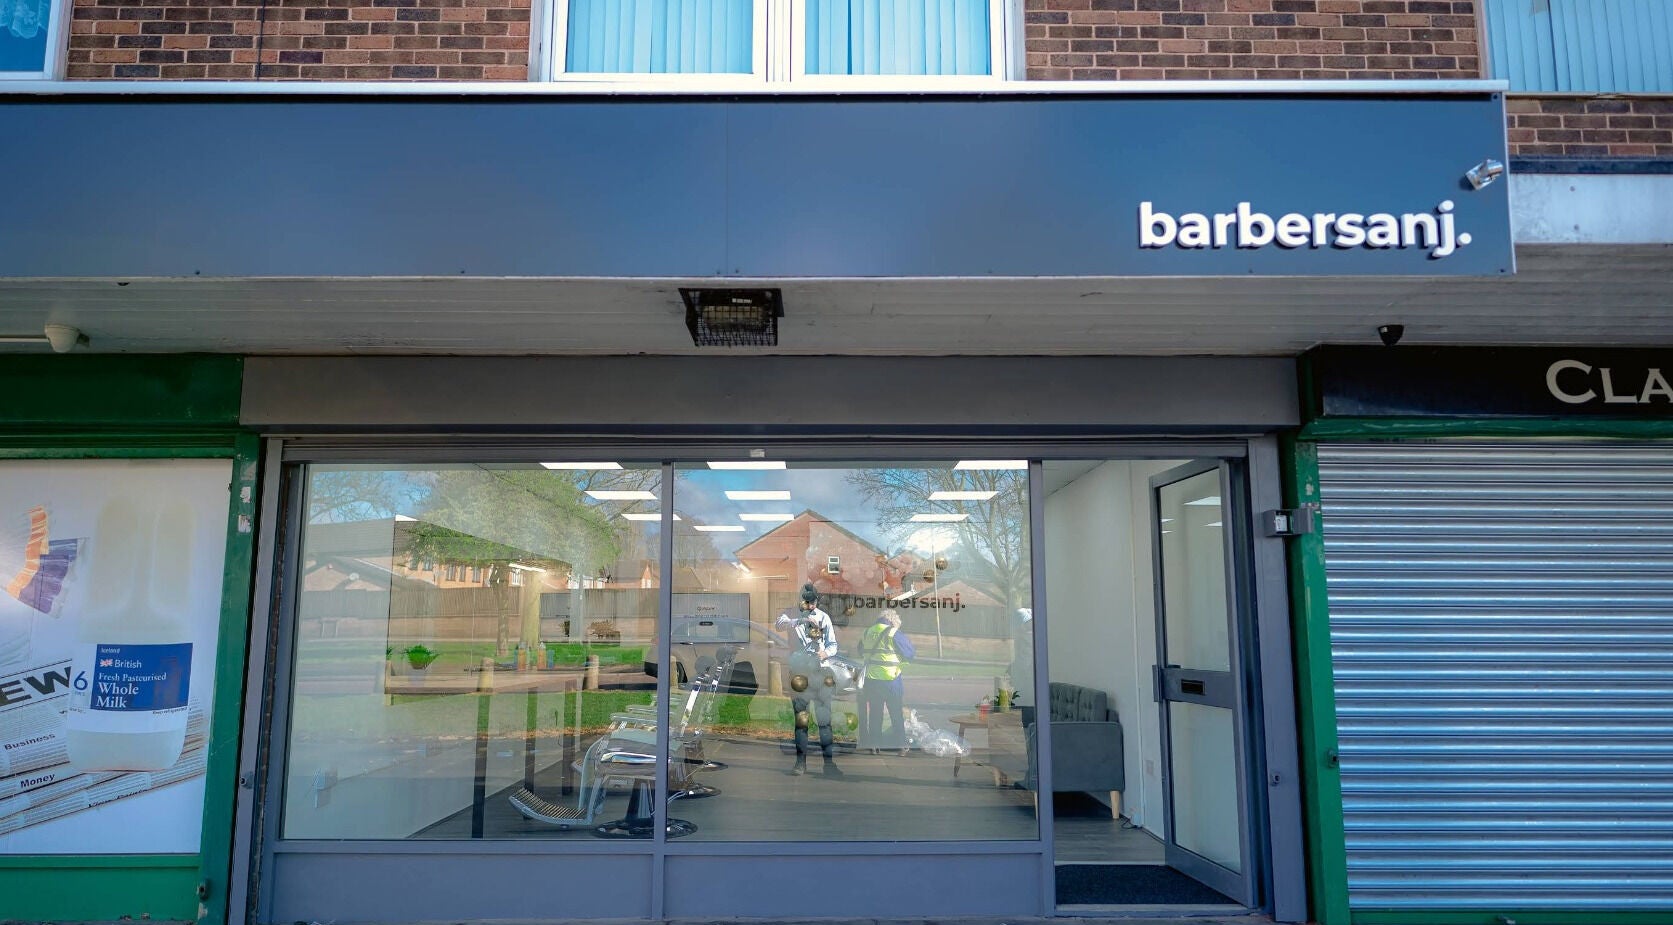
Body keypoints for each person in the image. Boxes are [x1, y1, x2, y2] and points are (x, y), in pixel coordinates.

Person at [779, 583, 842, 777]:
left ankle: (829, 764)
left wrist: (825, 653)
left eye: (814, 603)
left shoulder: (824, 617)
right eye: (808, 603)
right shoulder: (790, 614)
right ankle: (800, 763)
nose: (812, 606)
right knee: (801, 720)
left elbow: (833, 645)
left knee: (824, 720)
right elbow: (780, 624)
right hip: (799, 673)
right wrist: (800, 620)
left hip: (819, 673)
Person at [857, 608, 915, 754]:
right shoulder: (894, 633)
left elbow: (860, 651)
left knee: (875, 714)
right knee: (896, 714)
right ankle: (901, 746)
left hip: (871, 680)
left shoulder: (867, 632)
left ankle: (874, 746)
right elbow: (909, 653)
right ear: (893, 621)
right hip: (891, 681)